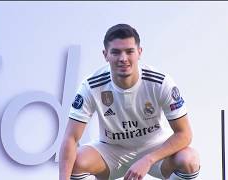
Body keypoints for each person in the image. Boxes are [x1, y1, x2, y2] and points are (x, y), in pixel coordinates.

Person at [59, 24, 200, 180]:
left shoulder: (160, 82)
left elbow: (185, 134)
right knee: (76, 161)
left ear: (139, 52)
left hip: (154, 148)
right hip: (112, 150)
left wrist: (148, 159)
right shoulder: (91, 85)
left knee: (189, 160)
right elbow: (71, 138)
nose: (123, 58)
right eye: (116, 52)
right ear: (105, 55)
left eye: (129, 51)